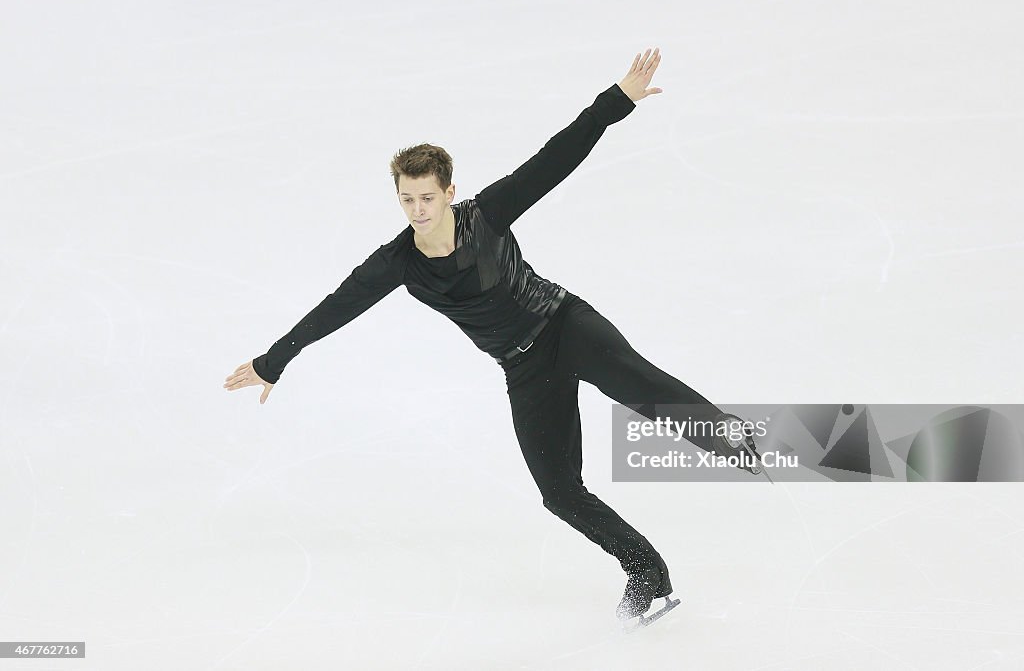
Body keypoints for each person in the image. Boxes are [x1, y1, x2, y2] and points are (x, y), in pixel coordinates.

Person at [223, 47, 763, 626]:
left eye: (427, 197)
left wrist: (618, 100)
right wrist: (273, 361)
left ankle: (743, 443)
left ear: (449, 191)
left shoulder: (489, 212)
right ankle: (647, 571)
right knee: (558, 491)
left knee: (648, 392)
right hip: (524, 367)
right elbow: (337, 306)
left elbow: (556, 157)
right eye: (406, 199)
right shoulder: (397, 262)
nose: (418, 209)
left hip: (565, 325)